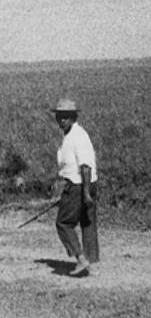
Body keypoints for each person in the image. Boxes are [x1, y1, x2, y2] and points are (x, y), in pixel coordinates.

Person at [51, 98, 99, 276]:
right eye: (59, 116)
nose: (61, 120)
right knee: (87, 223)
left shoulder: (78, 136)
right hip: (81, 184)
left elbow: (85, 166)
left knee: (63, 223)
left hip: (79, 185)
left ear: (73, 117)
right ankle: (89, 260)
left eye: (66, 116)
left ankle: (81, 259)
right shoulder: (70, 135)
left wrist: (86, 193)